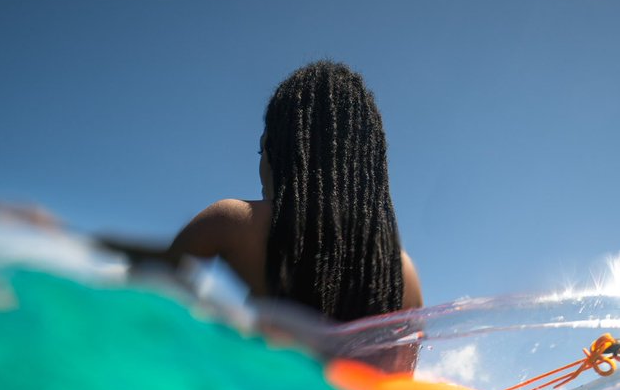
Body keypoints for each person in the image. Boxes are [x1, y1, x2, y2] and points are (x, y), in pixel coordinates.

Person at [102, 60, 422, 321]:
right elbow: (394, 386)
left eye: (263, 150)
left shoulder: (231, 223)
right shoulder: (403, 276)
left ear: (286, 155)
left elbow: (145, 316)